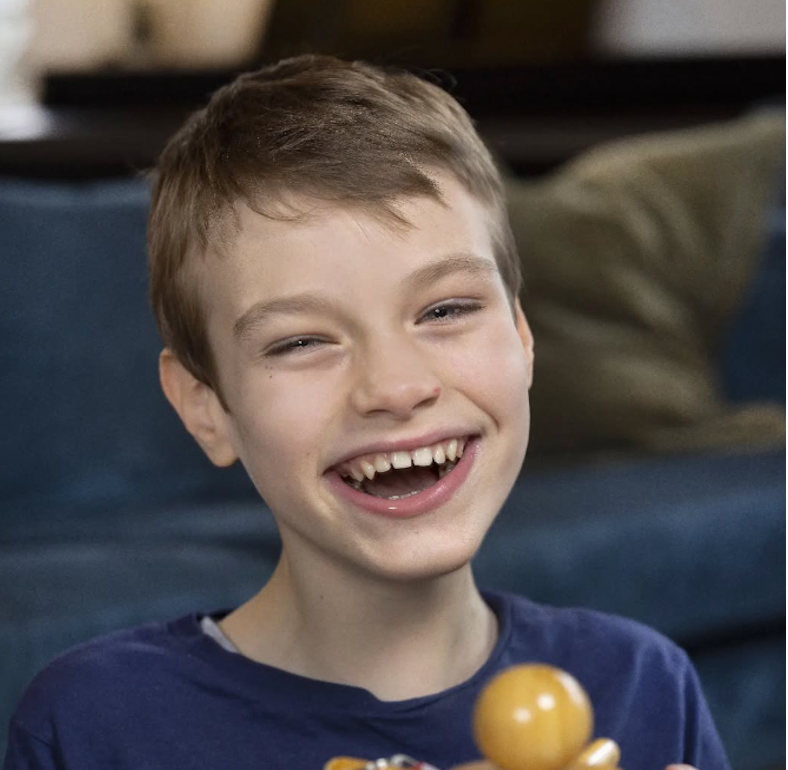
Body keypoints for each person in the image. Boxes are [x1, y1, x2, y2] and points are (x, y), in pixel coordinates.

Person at [3, 55, 730, 770]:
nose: (395, 386)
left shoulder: (642, 685)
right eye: (302, 342)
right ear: (206, 407)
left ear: (522, 335)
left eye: (445, 309)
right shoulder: (94, 724)